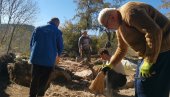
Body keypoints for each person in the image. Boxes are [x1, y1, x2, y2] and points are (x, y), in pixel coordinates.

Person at [98, 1, 170, 97]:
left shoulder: (130, 12)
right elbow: (121, 49)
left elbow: (154, 31)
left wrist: (149, 60)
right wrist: (110, 65)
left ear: (112, 17)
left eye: (106, 25)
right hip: (147, 54)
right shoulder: (119, 28)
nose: (108, 28)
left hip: (163, 50)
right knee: (140, 88)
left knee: (151, 90)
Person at [29, 17, 63, 97]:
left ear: (49, 21)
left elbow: (31, 44)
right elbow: (60, 47)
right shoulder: (57, 32)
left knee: (34, 79)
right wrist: (58, 57)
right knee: (43, 81)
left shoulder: (38, 28)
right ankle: (40, 95)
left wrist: (33, 54)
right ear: (57, 23)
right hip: (48, 61)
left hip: (36, 59)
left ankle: (31, 95)